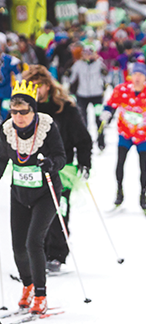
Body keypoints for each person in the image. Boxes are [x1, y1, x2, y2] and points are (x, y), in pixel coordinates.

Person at [0, 80, 66, 314]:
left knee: (33, 242)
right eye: (14, 111)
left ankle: (40, 293)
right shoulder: (7, 130)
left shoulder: (47, 127)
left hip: (45, 194)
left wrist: (51, 163)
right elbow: (1, 161)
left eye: (23, 111)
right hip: (19, 193)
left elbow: (61, 156)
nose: (18, 117)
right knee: (17, 247)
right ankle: (27, 285)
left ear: (32, 110)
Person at [22, 65, 93, 274]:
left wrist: (85, 161)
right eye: (31, 86)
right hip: (33, 169)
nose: (35, 90)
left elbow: (83, 138)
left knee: (57, 212)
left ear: (47, 85)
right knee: (33, 214)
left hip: (62, 167)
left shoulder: (65, 108)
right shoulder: (26, 108)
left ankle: (56, 254)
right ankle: (37, 255)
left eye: (39, 86)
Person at [101, 62, 146, 211]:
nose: (137, 78)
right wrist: (107, 112)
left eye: (140, 75)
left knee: (143, 167)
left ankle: (143, 195)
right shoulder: (122, 90)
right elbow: (111, 104)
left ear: (145, 77)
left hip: (143, 135)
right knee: (120, 164)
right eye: (135, 74)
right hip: (125, 133)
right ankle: (119, 192)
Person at [68, 44, 108, 150]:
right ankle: (84, 142)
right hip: (82, 95)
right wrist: (67, 75)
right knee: (82, 119)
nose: (88, 56)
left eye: (90, 53)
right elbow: (71, 78)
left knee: (98, 118)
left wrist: (105, 81)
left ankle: (101, 142)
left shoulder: (99, 64)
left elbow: (107, 77)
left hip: (97, 95)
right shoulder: (78, 64)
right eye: (85, 53)